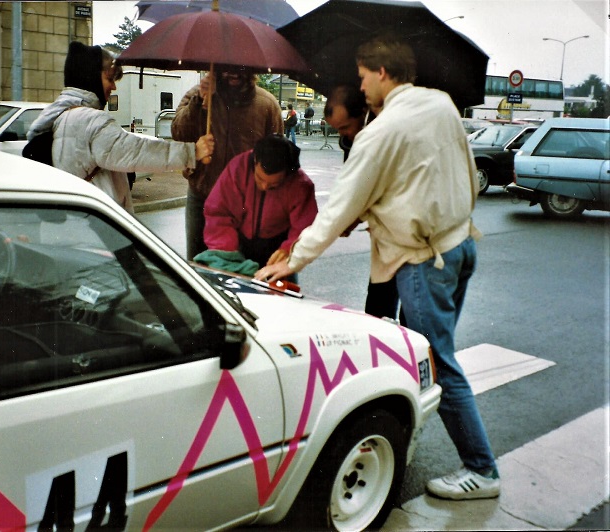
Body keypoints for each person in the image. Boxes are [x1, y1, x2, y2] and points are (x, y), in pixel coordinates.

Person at [255, 35, 500, 501]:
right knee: (432, 357)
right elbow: (453, 175)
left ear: (382, 72)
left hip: (423, 260)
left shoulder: (380, 132)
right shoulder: (441, 104)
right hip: (461, 244)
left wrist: (292, 259)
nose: (362, 87)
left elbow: (337, 211)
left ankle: (482, 469)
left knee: (437, 363)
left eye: (364, 77)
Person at [27, 42, 214, 214]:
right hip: (98, 227)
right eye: (110, 79)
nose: (114, 87)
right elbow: (136, 151)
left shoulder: (62, 115)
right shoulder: (89, 120)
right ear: (89, 76)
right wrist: (192, 152)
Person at [172, 68, 283, 261]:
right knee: (198, 266)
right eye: (227, 68)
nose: (233, 73)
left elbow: (278, 158)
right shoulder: (197, 95)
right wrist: (198, 102)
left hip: (246, 206)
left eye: (241, 68)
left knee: (241, 268)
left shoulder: (266, 104)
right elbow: (178, 133)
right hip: (202, 198)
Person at [324, 85, 402, 323]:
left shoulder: (385, 134)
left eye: (345, 127)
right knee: (379, 303)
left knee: (412, 316)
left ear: (362, 113)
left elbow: (374, 189)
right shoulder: (358, 138)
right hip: (387, 238)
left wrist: (351, 217)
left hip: (410, 237)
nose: (343, 135)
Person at [198, 134, 317, 278]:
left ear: (287, 174)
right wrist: (227, 253)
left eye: (274, 185)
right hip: (237, 242)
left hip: (278, 247)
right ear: (255, 161)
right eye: (260, 179)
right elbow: (219, 212)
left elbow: (305, 226)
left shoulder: (300, 184)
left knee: (280, 287)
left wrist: (289, 249)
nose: (264, 186)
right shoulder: (237, 168)